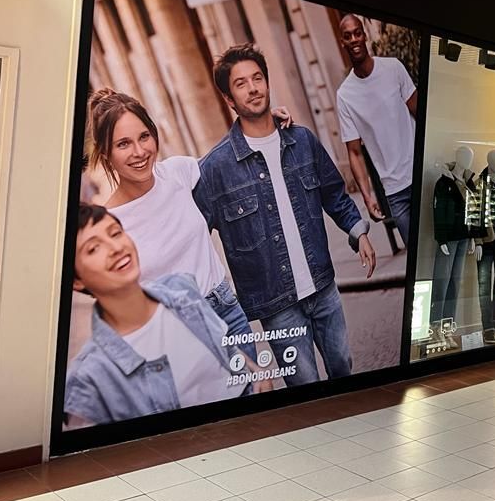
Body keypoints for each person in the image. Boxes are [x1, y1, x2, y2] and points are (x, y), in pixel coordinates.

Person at [195, 44, 376, 385]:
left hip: (322, 286)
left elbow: (333, 193)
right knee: (304, 386)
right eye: (241, 83)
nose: (253, 88)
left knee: (343, 368)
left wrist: (358, 230)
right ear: (229, 99)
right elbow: (192, 232)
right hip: (276, 306)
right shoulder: (216, 169)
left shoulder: (301, 140)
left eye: (258, 78)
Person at [86, 89, 290, 360]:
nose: (139, 152)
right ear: (106, 153)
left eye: (144, 136)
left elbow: (224, 161)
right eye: (123, 144)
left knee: (256, 395)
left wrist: (260, 124)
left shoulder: (178, 172)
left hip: (227, 312)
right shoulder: (109, 223)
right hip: (176, 334)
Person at [64, 204, 249, 428]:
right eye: (93, 249)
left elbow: (227, 349)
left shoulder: (181, 289)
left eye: (116, 233)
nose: (115, 248)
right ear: (76, 281)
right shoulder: (88, 379)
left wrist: (257, 376)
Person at [335, 14, 417, 245]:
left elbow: (417, 111)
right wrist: (367, 195)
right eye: (347, 36)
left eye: (357, 33)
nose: (354, 39)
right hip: (394, 191)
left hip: (419, 174)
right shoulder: (345, 95)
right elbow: (354, 151)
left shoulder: (393, 69)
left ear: (364, 35)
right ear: (343, 42)